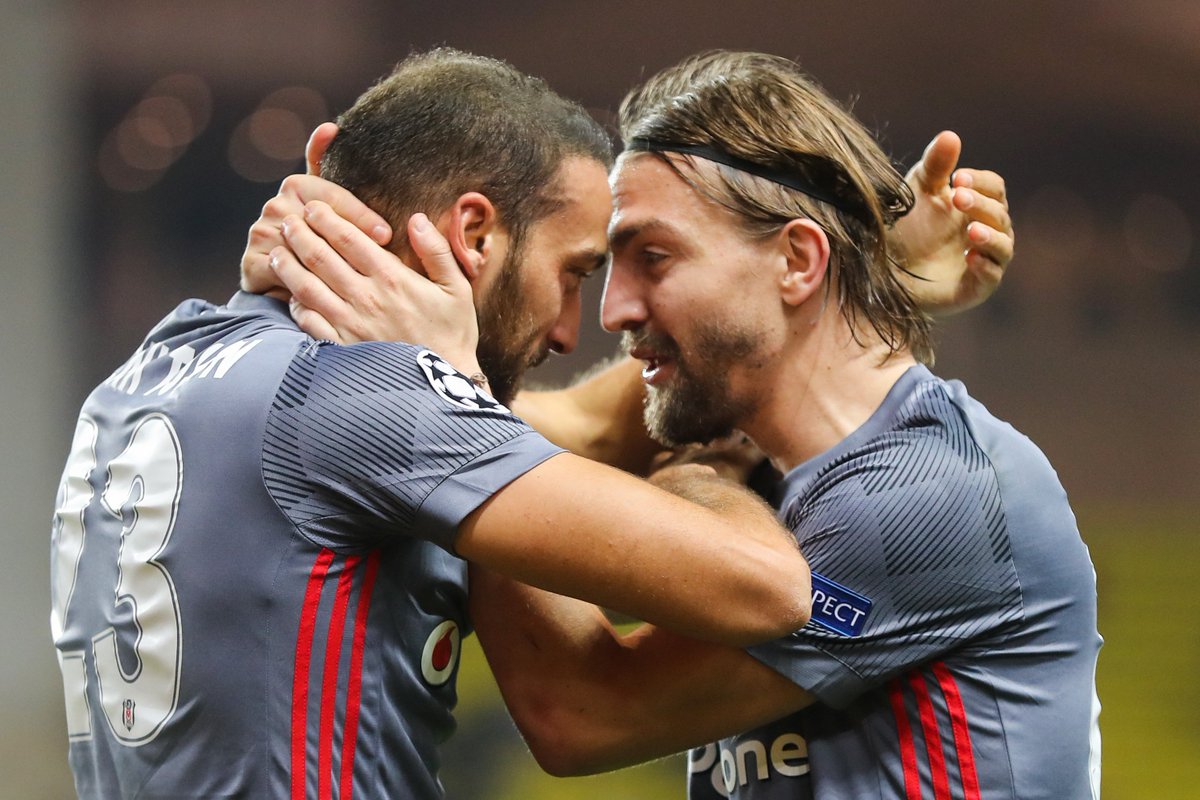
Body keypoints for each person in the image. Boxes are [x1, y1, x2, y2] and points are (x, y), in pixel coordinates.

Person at [255, 51, 1099, 800]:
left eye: (652, 257)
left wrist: (450, 395)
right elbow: (568, 427)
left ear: (798, 261)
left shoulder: (927, 497)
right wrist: (395, 339)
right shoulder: (771, 451)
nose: (613, 310)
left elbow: (583, 709)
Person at [48, 49, 820, 800]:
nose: (567, 330)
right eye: (573, 274)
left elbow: (579, 429)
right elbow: (767, 588)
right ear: (475, 235)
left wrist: (806, 287)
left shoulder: (158, 367)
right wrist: (702, 475)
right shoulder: (372, 400)